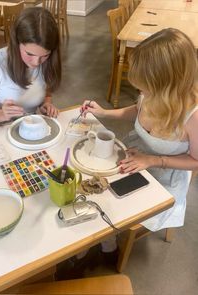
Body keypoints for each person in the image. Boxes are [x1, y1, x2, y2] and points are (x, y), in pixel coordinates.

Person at [81, 28, 198, 232]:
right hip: (134, 156)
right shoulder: (149, 94)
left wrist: (153, 160)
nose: (140, 92)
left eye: (144, 87)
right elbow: (137, 110)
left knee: (115, 213)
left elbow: (196, 161)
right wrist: (104, 113)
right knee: (93, 190)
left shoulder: (193, 115)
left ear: (167, 85)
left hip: (164, 176)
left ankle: (110, 242)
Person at [0, 7, 61, 124]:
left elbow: (46, 92)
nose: (36, 62)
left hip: (31, 125)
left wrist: (46, 103)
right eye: (29, 54)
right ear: (16, 43)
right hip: (0, 128)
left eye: (45, 55)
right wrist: (2, 114)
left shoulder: (47, 62)